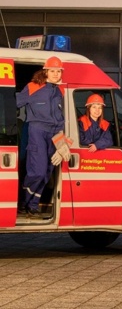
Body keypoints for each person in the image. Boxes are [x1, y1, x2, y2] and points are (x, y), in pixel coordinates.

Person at [16, 55, 71, 218]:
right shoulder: (33, 86)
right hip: (37, 131)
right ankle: (23, 201)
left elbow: (60, 118)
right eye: (52, 71)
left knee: (47, 173)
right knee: (37, 172)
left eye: (58, 71)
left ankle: (33, 205)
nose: (56, 74)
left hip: (55, 134)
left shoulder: (60, 90)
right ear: (45, 71)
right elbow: (14, 102)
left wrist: (63, 142)